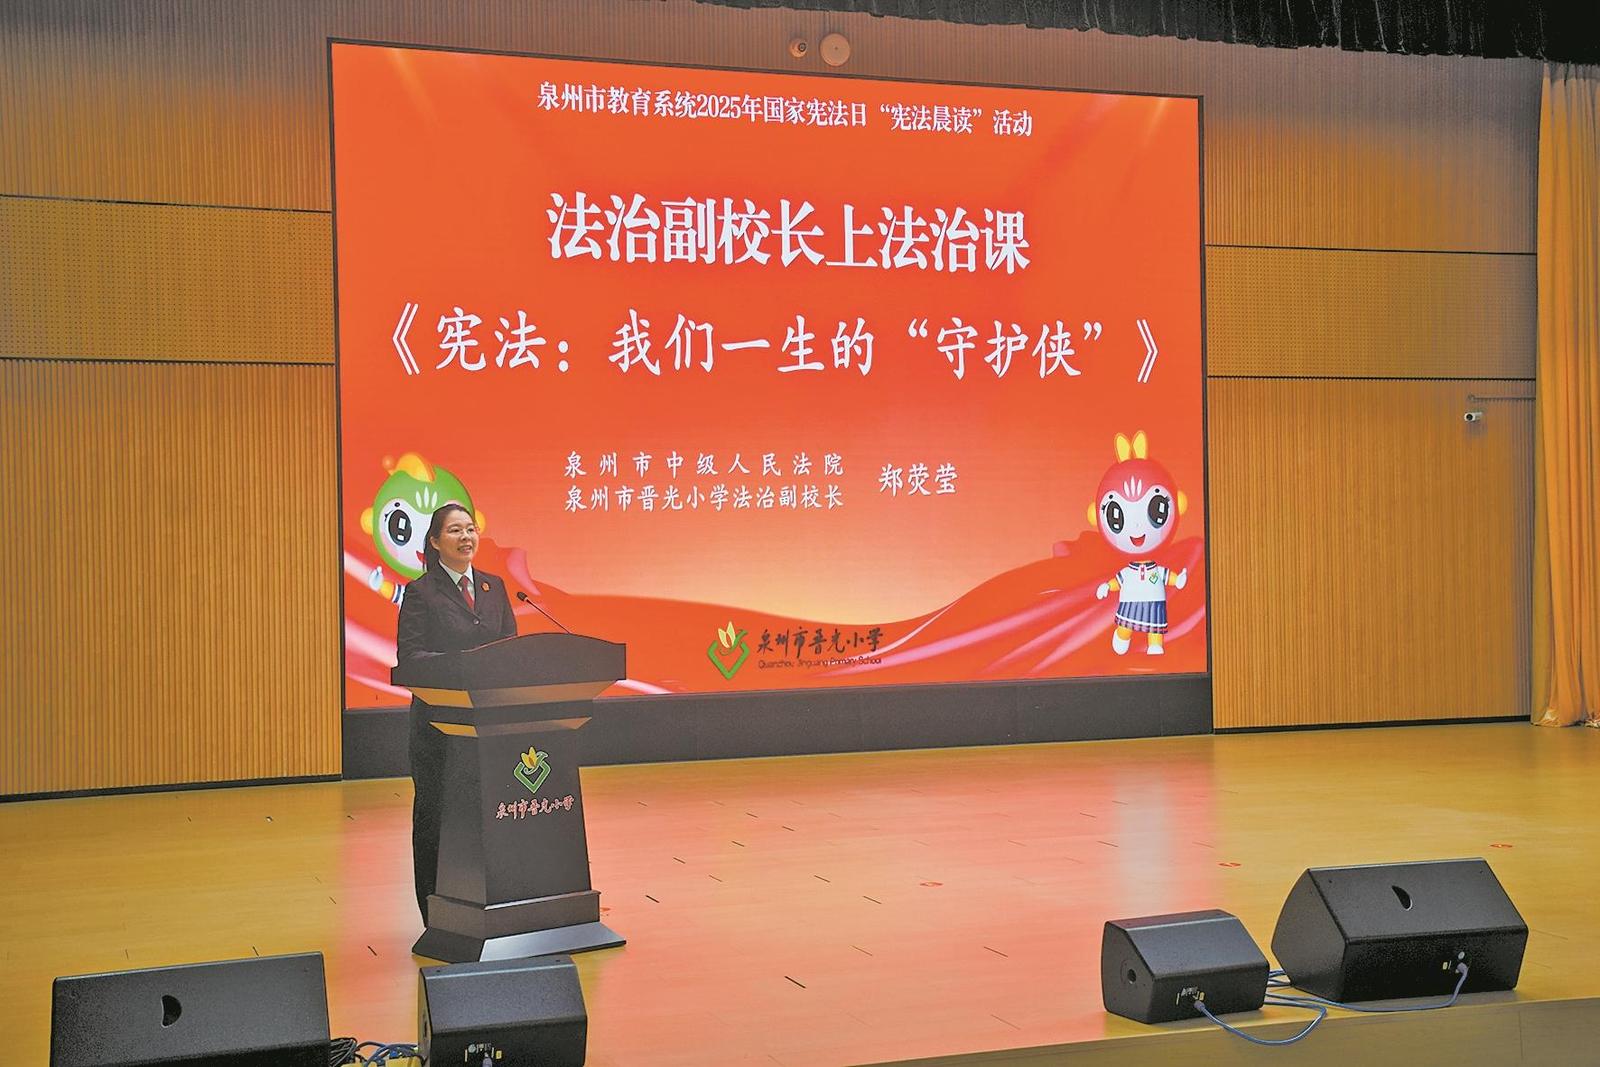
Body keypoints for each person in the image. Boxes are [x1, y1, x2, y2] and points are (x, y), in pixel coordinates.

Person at [395, 502, 517, 921]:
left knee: (486, 813)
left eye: (470, 529)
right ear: (434, 541)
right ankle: (435, 912)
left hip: (488, 725)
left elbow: (510, 648)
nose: (466, 537)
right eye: (455, 530)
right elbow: (411, 658)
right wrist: (461, 667)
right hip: (440, 727)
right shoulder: (422, 592)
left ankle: (489, 904)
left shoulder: (494, 587)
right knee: (437, 816)